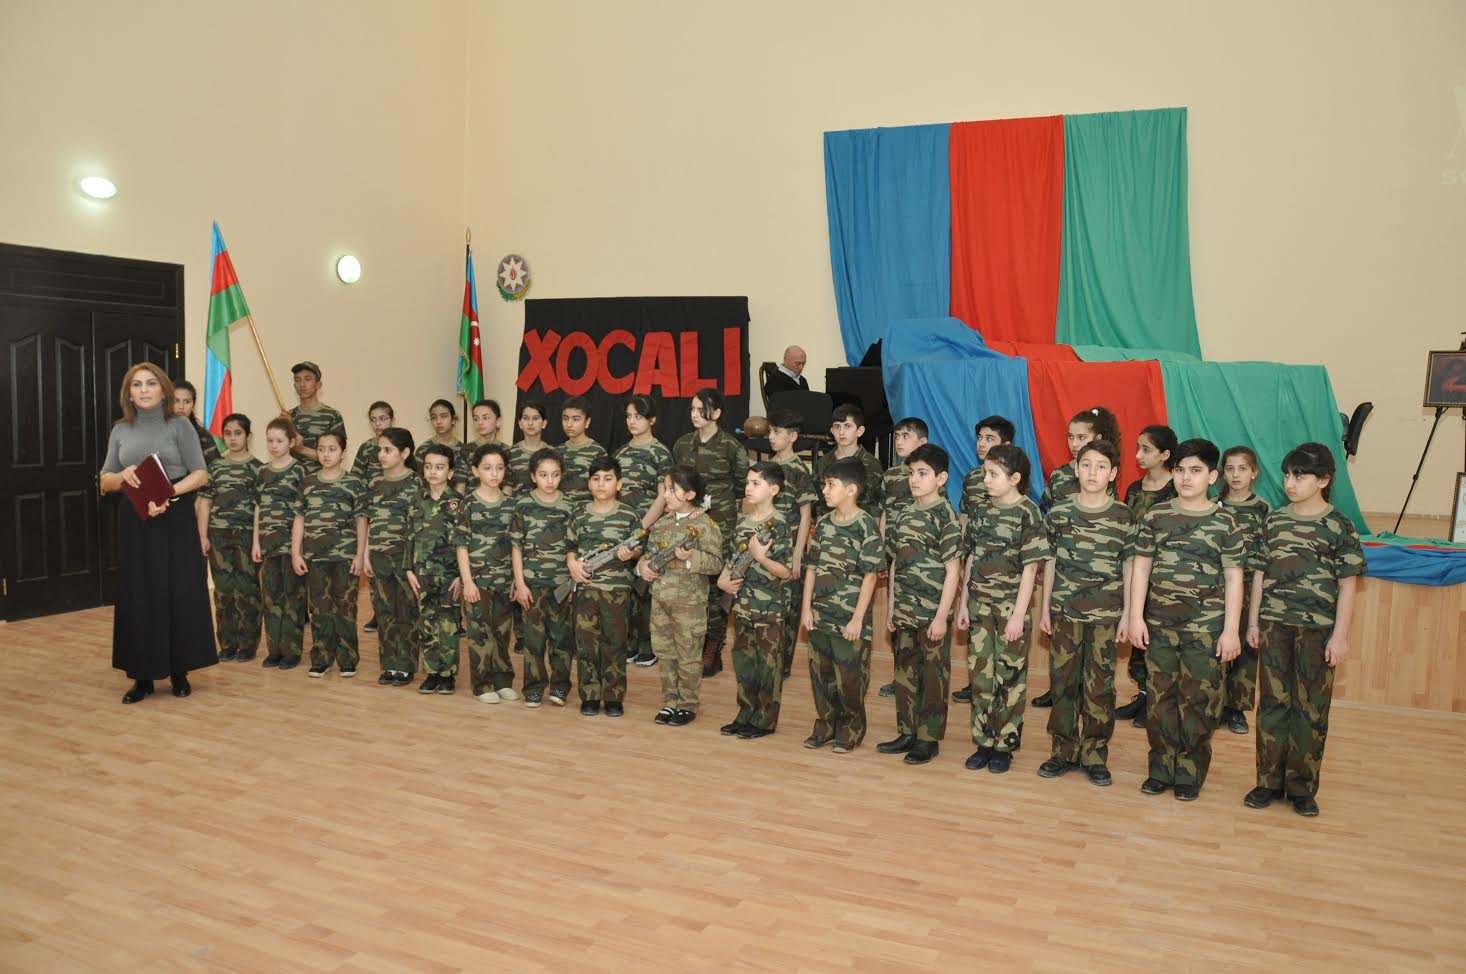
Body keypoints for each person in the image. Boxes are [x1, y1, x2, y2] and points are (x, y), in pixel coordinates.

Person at [1244, 443, 1363, 817]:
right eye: (1287, 475)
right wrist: (1253, 622)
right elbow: (1259, 574)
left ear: (1324, 480)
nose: (1290, 483)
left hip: (1318, 631)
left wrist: (1340, 635)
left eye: (1300, 476)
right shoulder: (1274, 522)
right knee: (1272, 705)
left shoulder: (1338, 526)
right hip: (1275, 627)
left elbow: (1348, 584)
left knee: (1311, 709)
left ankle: (1302, 788)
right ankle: (1267, 782)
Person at [1126, 438, 1244, 801]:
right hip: (1159, 627)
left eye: (1195, 471)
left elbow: (1234, 578)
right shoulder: (1156, 516)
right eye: (1179, 470)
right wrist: (1135, 617)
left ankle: (1189, 773)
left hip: (1206, 630)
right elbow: (1141, 568)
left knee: (1199, 702)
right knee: (1159, 700)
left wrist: (1231, 631)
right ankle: (1160, 769)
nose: (1186, 478)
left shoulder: (1225, 522)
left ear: (1212, 477)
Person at [100, 363, 217, 703]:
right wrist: (122, 476)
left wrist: (168, 493)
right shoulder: (120, 430)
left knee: (177, 592)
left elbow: (201, 474)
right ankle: (142, 677)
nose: (144, 390)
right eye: (137, 384)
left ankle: (180, 671)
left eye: (151, 383)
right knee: (140, 594)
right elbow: (104, 480)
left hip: (174, 517)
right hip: (136, 521)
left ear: (163, 390)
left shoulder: (180, 425)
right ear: (128, 393)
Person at [1036, 440, 1135, 787]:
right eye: (1087, 465)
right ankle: (1063, 751)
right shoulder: (1060, 513)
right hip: (1065, 612)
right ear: (1076, 469)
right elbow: (1050, 562)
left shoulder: (1123, 516)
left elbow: (1130, 567)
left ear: (1113, 473)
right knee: (1063, 683)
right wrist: (1046, 608)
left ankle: (1094, 754)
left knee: (1100, 687)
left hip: (1106, 617)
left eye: (1101, 466)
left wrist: (1128, 615)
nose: (1093, 472)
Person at [956, 444, 1050, 774]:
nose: (986, 480)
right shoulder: (981, 510)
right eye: (985, 473)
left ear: (1015, 479)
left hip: (1011, 608)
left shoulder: (1029, 513)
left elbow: (1031, 569)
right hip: (979, 605)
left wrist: (1018, 616)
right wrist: (963, 603)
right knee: (981, 677)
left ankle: (1005, 744)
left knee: (1009, 677)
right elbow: (971, 556)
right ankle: (984, 741)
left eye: (993, 474)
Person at [876, 445, 962, 765]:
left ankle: (928, 738)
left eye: (923, 473)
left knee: (933, 677)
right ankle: (907, 730)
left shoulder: (945, 516)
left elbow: (953, 571)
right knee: (905, 674)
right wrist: (891, 608)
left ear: (941, 478)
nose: (914, 479)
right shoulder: (904, 513)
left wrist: (941, 617)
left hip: (931, 612)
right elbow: (896, 563)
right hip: (905, 610)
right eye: (911, 473)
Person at [801, 459, 883, 753]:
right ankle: (826, 724)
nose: (824, 490)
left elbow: (871, 575)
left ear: (851, 490)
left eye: (830, 485)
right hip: (820, 615)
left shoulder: (866, 526)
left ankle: (851, 728)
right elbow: (812, 568)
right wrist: (806, 609)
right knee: (821, 675)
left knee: (850, 677)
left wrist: (858, 619)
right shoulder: (823, 524)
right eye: (824, 484)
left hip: (848, 618)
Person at [669, 389, 748, 678]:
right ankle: (692, 642)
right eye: (692, 408)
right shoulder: (682, 445)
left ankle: (713, 645)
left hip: (720, 526)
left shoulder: (731, 447)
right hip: (689, 524)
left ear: (716, 413)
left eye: (700, 409)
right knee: (690, 581)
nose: (694, 414)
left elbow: (741, 486)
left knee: (717, 585)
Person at [642, 466, 725, 726]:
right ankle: (669, 702)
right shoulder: (661, 524)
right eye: (665, 489)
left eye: (671, 489)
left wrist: (691, 559)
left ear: (689, 494)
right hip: (661, 600)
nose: (665, 494)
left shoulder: (705, 525)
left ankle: (687, 704)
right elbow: (648, 555)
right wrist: (643, 566)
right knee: (665, 653)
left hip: (690, 603)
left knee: (688, 656)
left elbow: (716, 563)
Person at [716, 463, 793, 739]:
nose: (748, 488)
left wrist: (761, 558)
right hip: (743, 606)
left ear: (774, 489)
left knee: (768, 666)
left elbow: (786, 572)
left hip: (770, 608)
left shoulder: (780, 523)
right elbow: (732, 560)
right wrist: (722, 581)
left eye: (755, 483)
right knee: (744, 662)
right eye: (747, 482)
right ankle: (746, 712)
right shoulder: (743, 522)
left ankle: (764, 720)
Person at [567, 456, 643, 716]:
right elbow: (570, 547)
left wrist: (630, 554)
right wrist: (572, 564)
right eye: (596, 479)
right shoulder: (579, 514)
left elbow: (640, 548)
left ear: (619, 484)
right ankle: (589, 695)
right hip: (586, 591)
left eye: (608, 479)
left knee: (615, 644)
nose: (601, 484)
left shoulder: (628, 514)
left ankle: (613, 697)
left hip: (617, 592)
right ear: (589, 483)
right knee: (586, 645)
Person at [1114, 423, 1178, 726]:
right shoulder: (1134, 489)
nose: (1138, 455)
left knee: (1160, 643)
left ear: (1165, 455)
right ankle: (1142, 694)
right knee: (1138, 637)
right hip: (1135, 574)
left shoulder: (1176, 489)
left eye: (1146, 449)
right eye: (1138, 448)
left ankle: (1158, 700)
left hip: (1164, 577)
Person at [291, 428, 368, 678]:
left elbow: (361, 521)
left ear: (343, 452)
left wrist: (360, 554)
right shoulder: (308, 482)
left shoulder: (354, 483)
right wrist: (295, 553)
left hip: (345, 557)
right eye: (321, 449)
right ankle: (321, 658)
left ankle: (347, 659)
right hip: (314, 558)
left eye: (332, 449)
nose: (326, 454)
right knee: (319, 609)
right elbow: (299, 519)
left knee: (346, 608)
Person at [953, 415, 1014, 705]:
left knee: (1005, 638)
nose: (982, 444)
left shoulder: (1015, 477)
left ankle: (1003, 687)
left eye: (990, 439)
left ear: (1006, 445)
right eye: (979, 438)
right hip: (975, 562)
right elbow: (965, 518)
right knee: (977, 629)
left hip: (1004, 569)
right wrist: (961, 557)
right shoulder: (972, 478)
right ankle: (976, 682)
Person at [509, 448, 576, 708]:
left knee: (561, 639)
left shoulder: (570, 506)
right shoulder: (523, 505)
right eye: (543, 475)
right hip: (532, 585)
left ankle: (560, 687)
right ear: (533, 476)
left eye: (555, 475)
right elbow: (516, 547)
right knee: (533, 640)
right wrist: (520, 583)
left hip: (562, 584)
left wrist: (573, 583)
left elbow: (575, 549)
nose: (550, 480)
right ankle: (534, 687)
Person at [456, 444, 521, 704]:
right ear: (475, 471)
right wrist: (467, 581)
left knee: (502, 633)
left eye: (499, 468)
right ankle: (482, 685)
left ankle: (503, 681)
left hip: (504, 581)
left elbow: (517, 546)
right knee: (480, 634)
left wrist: (517, 579)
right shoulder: (468, 504)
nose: (494, 474)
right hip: (477, 582)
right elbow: (461, 545)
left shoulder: (512, 505)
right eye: (487, 468)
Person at [196, 413, 262, 663]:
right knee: (223, 592)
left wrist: (256, 541)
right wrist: (202, 536)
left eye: (238, 433)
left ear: (248, 436)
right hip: (219, 536)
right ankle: (227, 644)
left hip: (246, 537)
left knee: (247, 590)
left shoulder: (258, 468)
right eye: (228, 434)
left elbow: (260, 508)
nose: (232, 438)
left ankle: (248, 645)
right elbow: (205, 503)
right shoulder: (215, 467)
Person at [614, 395, 672, 668]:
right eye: (628, 416)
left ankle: (648, 645)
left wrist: (641, 528)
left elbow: (663, 497)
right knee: (626, 587)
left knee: (646, 587)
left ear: (652, 420)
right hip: (622, 530)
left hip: (648, 529)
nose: (632, 421)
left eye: (638, 416)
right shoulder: (620, 453)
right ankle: (630, 642)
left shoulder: (661, 453)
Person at [1217, 445, 1270, 735]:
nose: (1235, 475)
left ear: (1254, 473)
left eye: (1242, 469)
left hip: (1249, 588)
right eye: (1230, 469)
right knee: (1216, 645)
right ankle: (1215, 704)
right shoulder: (1213, 505)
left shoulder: (1263, 509)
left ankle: (1237, 708)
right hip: (1217, 588)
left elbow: (1265, 557)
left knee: (1245, 647)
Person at [364, 428, 422, 687]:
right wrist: (366, 554)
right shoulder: (375, 482)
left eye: (388, 450)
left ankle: (406, 666)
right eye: (380, 449)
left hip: (404, 558)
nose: (382, 454)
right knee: (384, 611)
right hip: (378, 556)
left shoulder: (416, 483)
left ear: (405, 453)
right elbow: (370, 520)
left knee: (407, 611)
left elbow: (420, 525)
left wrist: (414, 561)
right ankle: (389, 664)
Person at [877, 416, 930, 698]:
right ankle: (901, 676)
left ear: (922, 442)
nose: (899, 441)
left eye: (906, 436)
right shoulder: (890, 475)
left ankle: (921, 677)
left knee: (919, 621)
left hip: (920, 561)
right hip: (894, 556)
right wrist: (881, 551)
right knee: (896, 620)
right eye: (897, 436)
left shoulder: (929, 475)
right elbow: (885, 514)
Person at [406, 444, 465, 694]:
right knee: (427, 623)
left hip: (450, 575)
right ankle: (432, 672)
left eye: (439, 467)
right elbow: (409, 536)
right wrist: (409, 569)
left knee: (448, 625)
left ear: (450, 472)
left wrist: (462, 576)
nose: (433, 471)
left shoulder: (458, 503)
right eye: (428, 466)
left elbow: (464, 542)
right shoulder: (416, 499)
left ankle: (448, 674)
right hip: (422, 574)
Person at [252, 417, 306, 670]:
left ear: (291, 442)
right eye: (270, 441)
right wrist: (256, 542)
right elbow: (258, 507)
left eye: (279, 441)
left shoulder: (299, 471)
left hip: (290, 545)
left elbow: (302, 513)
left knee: (292, 598)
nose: (274, 445)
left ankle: (292, 651)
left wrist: (298, 549)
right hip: (268, 545)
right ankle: (274, 650)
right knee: (271, 598)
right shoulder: (262, 472)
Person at [766, 409, 816, 679]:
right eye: (770, 431)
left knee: (790, 610)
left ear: (793, 437)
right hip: (766, 549)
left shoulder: (799, 471)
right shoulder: (766, 468)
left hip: (790, 550)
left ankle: (783, 664)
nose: (771, 437)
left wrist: (798, 555)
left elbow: (806, 515)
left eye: (777, 432)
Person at [1041, 406, 1120, 512]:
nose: (1074, 444)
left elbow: (1112, 513)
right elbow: (1045, 512)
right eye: (1070, 437)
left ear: (1097, 439)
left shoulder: (1103, 473)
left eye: (1081, 437)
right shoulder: (1058, 475)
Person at [813, 404, 884, 518]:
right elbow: (818, 502)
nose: (841, 432)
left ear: (860, 431)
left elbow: (876, 506)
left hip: (860, 524)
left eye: (847, 426)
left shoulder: (871, 464)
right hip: (828, 524)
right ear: (832, 430)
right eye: (837, 426)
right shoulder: (823, 463)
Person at [286, 361, 345, 476]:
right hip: (293, 479)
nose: (302, 384)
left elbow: (336, 457)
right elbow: (280, 452)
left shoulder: (332, 415)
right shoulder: (288, 416)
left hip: (321, 481)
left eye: (307, 379)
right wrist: (285, 426)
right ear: (294, 386)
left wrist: (302, 449)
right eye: (297, 380)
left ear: (318, 384)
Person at [558, 395, 607, 509]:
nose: (569, 424)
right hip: (560, 511)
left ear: (587, 422)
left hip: (587, 512)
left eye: (575, 419)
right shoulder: (556, 452)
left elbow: (603, 488)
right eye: (565, 418)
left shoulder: (598, 452)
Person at [425, 398, 470, 494]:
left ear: (453, 420)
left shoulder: (465, 451)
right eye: (434, 417)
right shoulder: (424, 449)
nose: (438, 421)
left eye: (443, 416)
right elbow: (419, 482)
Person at [172, 379, 220, 464]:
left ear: (193, 405)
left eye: (187, 402)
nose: (181, 406)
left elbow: (215, 467)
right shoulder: (157, 430)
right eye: (176, 401)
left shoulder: (202, 435)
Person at [507, 401, 550, 492]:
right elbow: (507, 489)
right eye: (525, 418)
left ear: (544, 423)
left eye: (535, 418)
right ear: (520, 423)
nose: (530, 423)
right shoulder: (510, 452)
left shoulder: (552, 453)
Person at [461, 399, 504, 487]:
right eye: (476, 419)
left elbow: (508, 488)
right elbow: (460, 486)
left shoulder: (506, 451)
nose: (480, 422)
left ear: (498, 421)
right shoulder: (466, 450)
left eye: (485, 418)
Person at [351, 401, 396, 483]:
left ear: (392, 420)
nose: (377, 423)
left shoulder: (401, 445)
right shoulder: (366, 447)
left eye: (382, 419)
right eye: (373, 420)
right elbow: (355, 480)